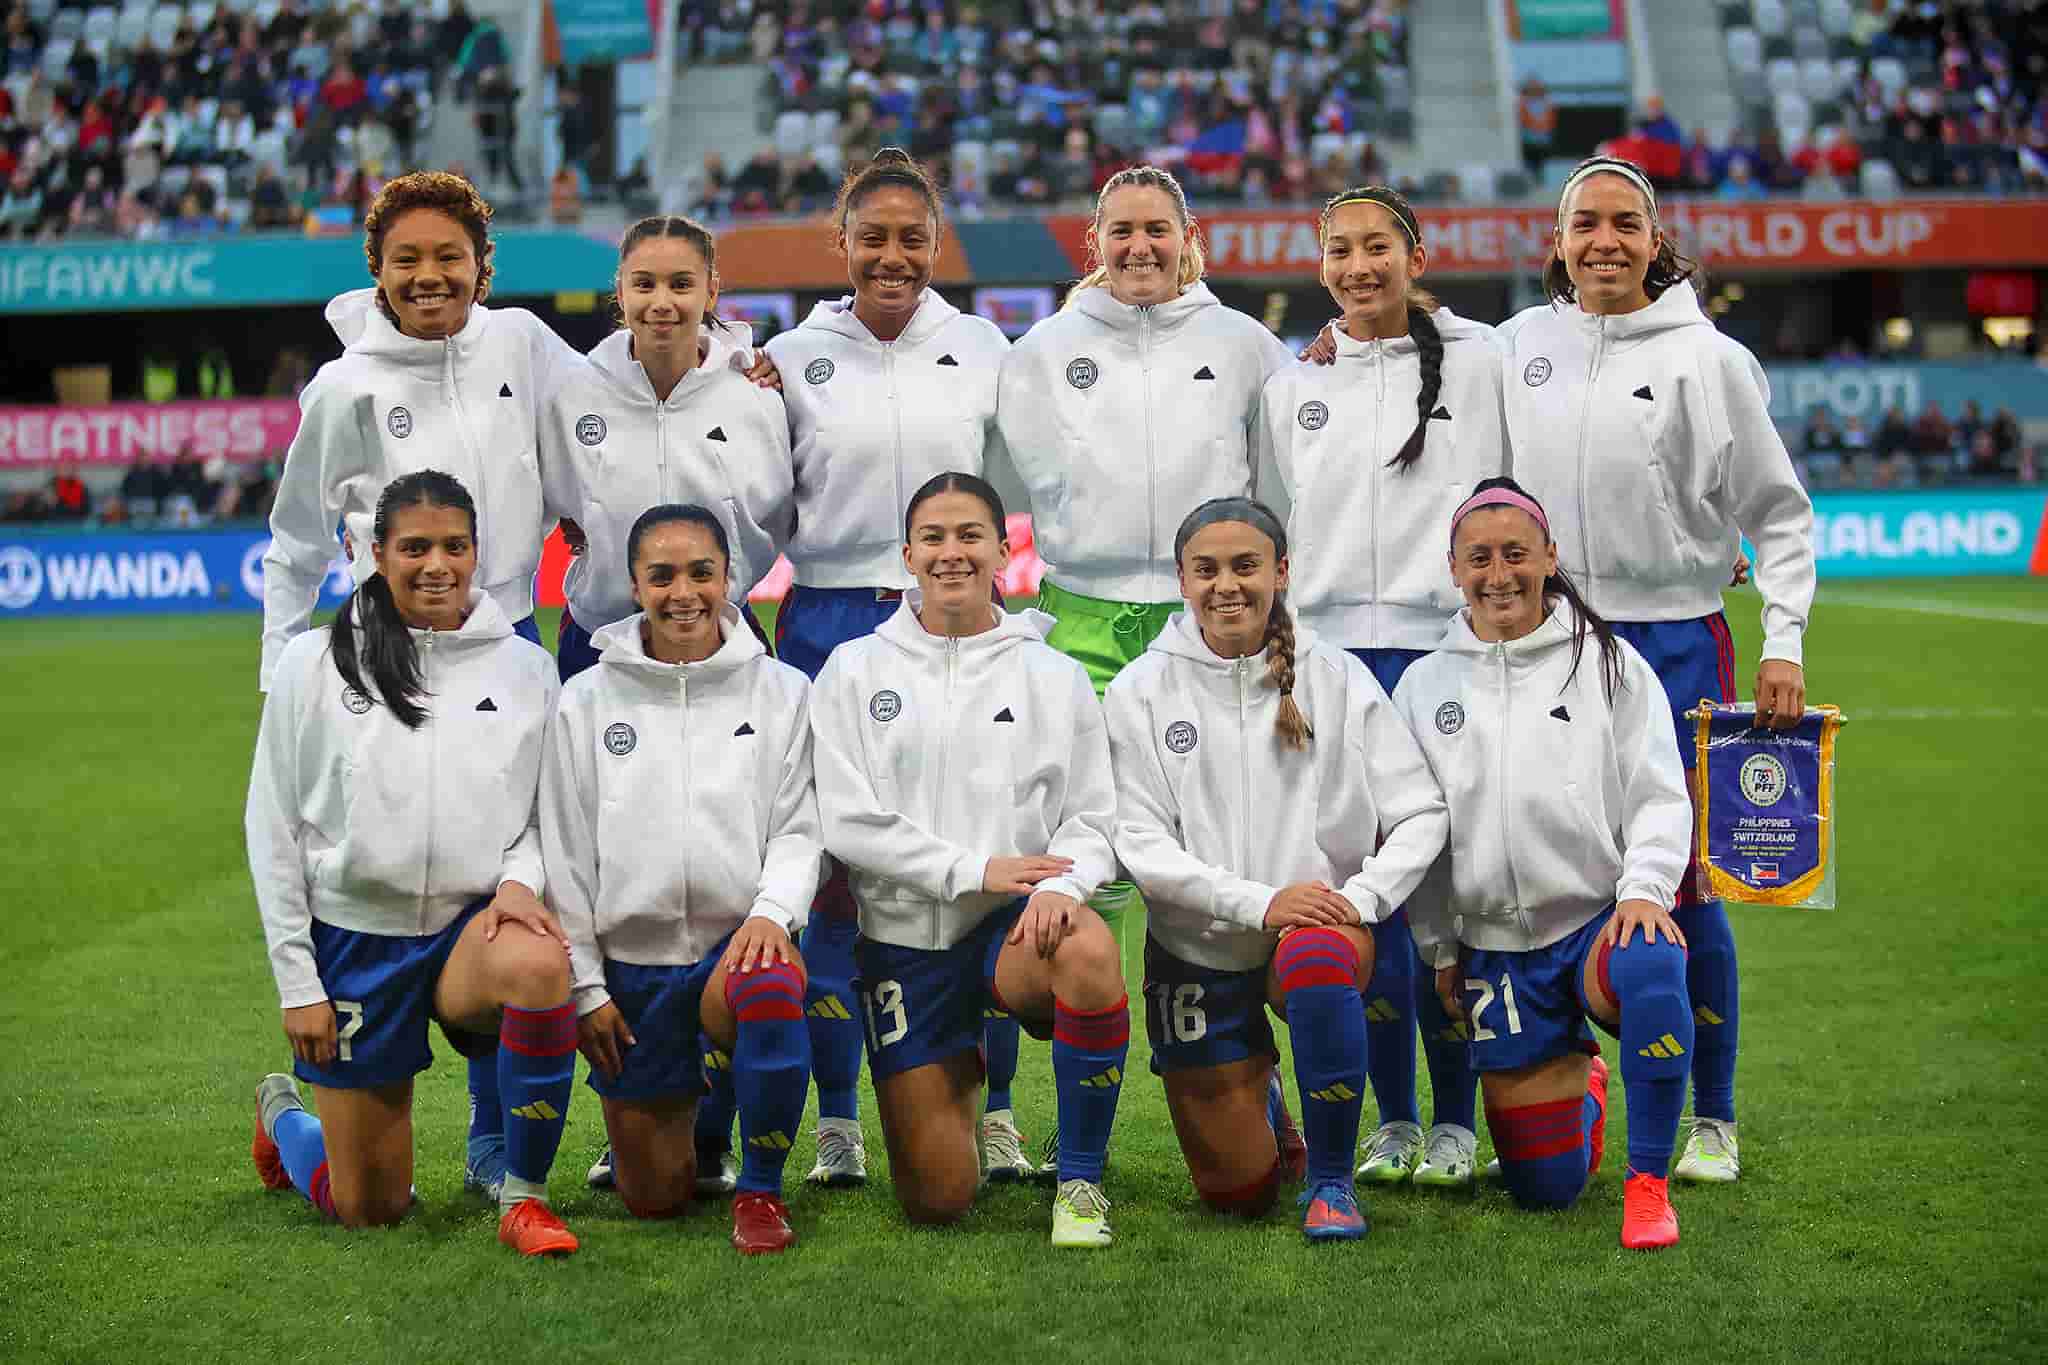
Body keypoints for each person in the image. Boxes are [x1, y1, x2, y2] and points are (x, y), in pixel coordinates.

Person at [260, 169, 583, 1208]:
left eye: (448, 256)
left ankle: (496, 1151)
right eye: (407, 260)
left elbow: (614, 409)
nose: (429, 275)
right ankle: (296, 1118)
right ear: (380, 272)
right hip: (383, 643)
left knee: (511, 887)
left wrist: (727, 362)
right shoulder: (343, 388)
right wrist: (280, 672)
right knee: (366, 1208)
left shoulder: (524, 345)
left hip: (505, 638)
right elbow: (294, 543)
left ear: (482, 264)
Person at [1499, 156, 1817, 1186]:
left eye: (1622, 224)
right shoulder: (1516, 350)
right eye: (1582, 223)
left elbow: (1776, 513)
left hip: (1679, 638)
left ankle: (1711, 1118)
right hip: (1545, 643)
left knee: (1687, 886)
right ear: (1555, 242)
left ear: (1653, 239)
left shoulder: (1709, 358)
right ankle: (1563, 1065)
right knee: (1549, 864)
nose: (1602, 240)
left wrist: (1782, 640)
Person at [998, 161, 1297, 1174]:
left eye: (1154, 231)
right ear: (1092, 241)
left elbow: (1284, 481)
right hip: (1077, 623)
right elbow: (985, 476)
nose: (1137, 248)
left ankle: (1269, 1094)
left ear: (1187, 237)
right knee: (1053, 877)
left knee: (1226, 867)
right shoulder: (1038, 353)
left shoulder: (1245, 345)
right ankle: (1005, 1114)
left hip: (1204, 629)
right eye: (1118, 231)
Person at [761, 148, 1020, 1186]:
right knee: (829, 882)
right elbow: (759, 497)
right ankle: (835, 1123)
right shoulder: (787, 357)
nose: (893, 255)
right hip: (825, 620)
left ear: (935, 245)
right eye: (873, 237)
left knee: (973, 867)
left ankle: (993, 1112)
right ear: (842, 243)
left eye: (913, 238)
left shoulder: (983, 348)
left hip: (955, 622)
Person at [246, 471, 579, 1256]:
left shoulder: (525, 668)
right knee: (371, 1208)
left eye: (454, 546)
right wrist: (300, 985)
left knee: (539, 964)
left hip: (469, 931)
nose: (438, 565)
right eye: (415, 547)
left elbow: (547, 812)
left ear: (476, 552)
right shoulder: (311, 665)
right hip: (357, 940)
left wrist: (519, 883)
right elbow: (272, 826)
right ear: (373, 553)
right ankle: (286, 1120)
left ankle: (524, 1197)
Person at [1104, 497, 1448, 1240]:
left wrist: (1359, 900)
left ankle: (1331, 1182)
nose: (1227, 585)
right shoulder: (1139, 690)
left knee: (1320, 956)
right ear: (1182, 579)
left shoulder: (1340, 678)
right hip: (1198, 946)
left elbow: (1422, 811)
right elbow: (1140, 842)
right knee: (1237, 1190)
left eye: (1245, 566)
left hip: (1319, 932)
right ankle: (1266, 1099)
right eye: (1207, 569)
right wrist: (1261, 902)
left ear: (1282, 571)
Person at [1255, 185, 1505, 1192]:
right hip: (1329, 671)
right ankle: (1393, 1120)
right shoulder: (1291, 387)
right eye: (1339, 251)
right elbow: (1272, 528)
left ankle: (1454, 1120)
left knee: (1448, 901)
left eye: (1376, 248)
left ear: (1412, 251)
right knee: (1364, 908)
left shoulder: (1479, 363)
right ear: (1319, 265)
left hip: (1441, 660)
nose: (1359, 267)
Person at [809, 473, 1129, 1246]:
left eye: (970, 535)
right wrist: (970, 867)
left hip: (1012, 929)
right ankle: (960, 1077)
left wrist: (1072, 882)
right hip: (905, 941)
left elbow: (1094, 815)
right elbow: (845, 821)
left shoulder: (1051, 674)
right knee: (937, 1198)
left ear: (1003, 548)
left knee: (1085, 948)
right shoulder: (853, 668)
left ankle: (1080, 1183)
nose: (953, 552)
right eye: (935, 538)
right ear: (908, 555)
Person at [1394, 477, 1696, 1250]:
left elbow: (1662, 792)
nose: (1501, 574)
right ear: (1454, 568)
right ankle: (1582, 1087)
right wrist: (1439, 949)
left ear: (1551, 557)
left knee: (1654, 960)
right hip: (1496, 947)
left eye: (1517, 554)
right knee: (1544, 1189)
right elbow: (1417, 836)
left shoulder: (1610, 664)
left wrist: (1646, 889)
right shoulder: (1425, 685)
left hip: (1594, 922)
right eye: (1481, 558)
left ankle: (1649, 1183)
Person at [542, 505, 822, 1254]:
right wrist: (587, 987)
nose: (683, 592)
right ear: (634, 585)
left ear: (729, 578)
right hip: (633, 974)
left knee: (769, 980)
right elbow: (566, 858)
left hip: (734, 948)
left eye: (701, 571)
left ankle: (761, 1189)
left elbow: (800, 827)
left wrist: (773, 912)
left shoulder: (782, 690)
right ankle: (702, 1114)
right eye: (660, 575)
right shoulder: (586, 700)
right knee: (656, 1198)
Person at [539, 215, 792, 686]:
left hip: (721, 635)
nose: (662, 302)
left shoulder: (754, 395)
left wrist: (729, 580)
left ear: (710, 292)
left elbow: (778, 513)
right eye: (644, 284)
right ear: (620, 292)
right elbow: (549, 493)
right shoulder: (571, 394)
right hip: (599, 639)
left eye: (680, 284)